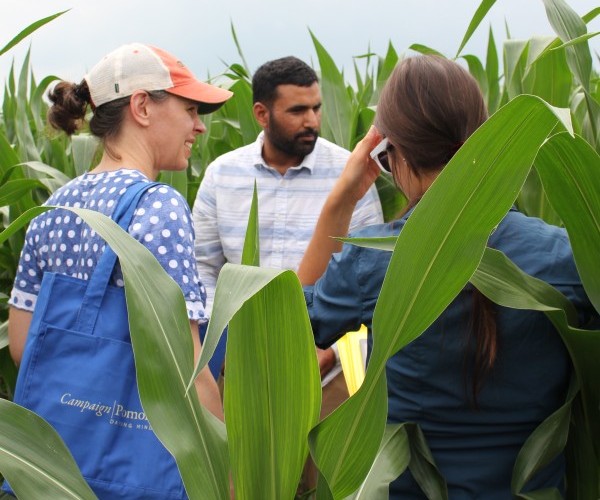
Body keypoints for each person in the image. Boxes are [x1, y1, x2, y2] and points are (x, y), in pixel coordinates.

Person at [298, 55, 597, 498]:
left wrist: (340, 199)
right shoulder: (568, 258)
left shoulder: (373, 262)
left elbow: (286, 329)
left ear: (389, 151)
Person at [8, 43, 231, 419]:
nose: (199, 125)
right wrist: (223, 467)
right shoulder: (157, 206)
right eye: (190, 110)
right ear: (142, 107)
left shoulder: (53, 207)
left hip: (61, 446)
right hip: (138, 445)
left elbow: (22, 345)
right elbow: (185, 366)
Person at [192, 55, 383, 380]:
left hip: (328, 373)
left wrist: (331, 352)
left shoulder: (349, 174)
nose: (311, 120)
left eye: (316, 108)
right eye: (297, 111)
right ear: (261, 114)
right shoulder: (222, 175)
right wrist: (224, 345)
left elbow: (371, 274)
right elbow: (202, 268)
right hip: (239, 370)